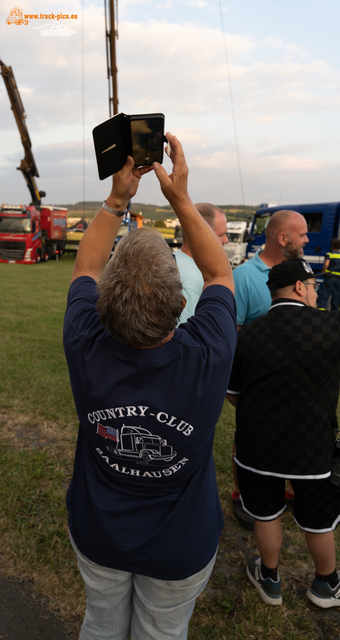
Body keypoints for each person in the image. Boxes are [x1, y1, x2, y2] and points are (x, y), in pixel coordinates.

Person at [63, 133, 237, 640]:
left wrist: (118, 198)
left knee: (100, 625)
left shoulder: (85, 343)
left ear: (103, 305)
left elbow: (85, 266)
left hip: (99, 535)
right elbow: (219, 272)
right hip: (179, 546)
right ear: (181, 304)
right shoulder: (207, 356)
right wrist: (181, 199)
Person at [226, 258, 340, 608]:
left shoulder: (249, 334)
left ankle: (270, 579)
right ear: (298, 288)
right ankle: (326, 584)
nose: (317, 293)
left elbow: (232, 392)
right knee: (319, 521)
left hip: (258, 445)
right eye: (313, 286)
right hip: (314, 447)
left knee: (266, 513)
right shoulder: (330, 326)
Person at [231, 210, 309, 528]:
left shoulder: (302, 270)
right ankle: (242, 494)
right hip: (258, 383)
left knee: (296, 435)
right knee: (250, 437)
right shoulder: (244, 277)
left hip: (300, 381)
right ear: (283, 238)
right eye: (302, 234)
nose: (306, 239)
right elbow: (233, 333)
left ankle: (290, 488)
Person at [175, 203, 228, 323]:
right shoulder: (190, 278)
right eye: (221, 235)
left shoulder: (178, 262)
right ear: (200, 234)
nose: (227, 240)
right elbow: (186, 334)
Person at [317, 238, 340, 311]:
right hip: (338, 281)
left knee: (323, 297)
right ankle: (334, 317)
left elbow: (326, 264)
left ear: (332, 246)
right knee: (336, 299)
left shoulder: (329, 254)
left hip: (329, 279)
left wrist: (324, 272)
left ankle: (320, 314)